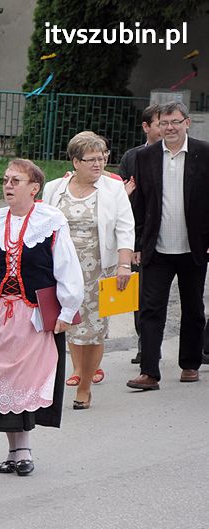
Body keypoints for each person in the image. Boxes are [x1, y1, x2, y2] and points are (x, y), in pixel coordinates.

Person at [0, 159, 83, 476]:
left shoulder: (51, 221)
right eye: (5, 180)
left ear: (34, 188)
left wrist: (66, 310)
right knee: (1, 383)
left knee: (24, 382)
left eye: (16, 180)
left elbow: (68, 269)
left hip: (33, 316)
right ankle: (14, 450)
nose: (8, 185)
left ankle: (22, 449)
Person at [43, 132, 134, 409]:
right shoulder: (54, 188)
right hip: (61, 270)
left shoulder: (112, 189)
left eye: (102, 157)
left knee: (94, 328)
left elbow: (125, 227)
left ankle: (85, 385)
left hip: (98, 270)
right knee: (68, 323)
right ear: (75, 161)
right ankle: (76, 369)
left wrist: (124, 264)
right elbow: (43, 225)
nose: (99, 164)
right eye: (91, 159)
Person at [127, 101, 209, 390]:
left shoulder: (204, 153)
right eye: (164, 123)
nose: (170, 127)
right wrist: (135, 242)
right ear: (157, 127)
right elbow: (139, 203)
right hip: (156, 248)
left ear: (187, 123)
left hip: (194, 248)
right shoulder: (146, 156)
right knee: (150, 309)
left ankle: (189, 364)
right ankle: (149, 372)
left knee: (193, 309)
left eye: (175, 121)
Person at [119, 104, 161, 365]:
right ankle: (145, 344)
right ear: (146, 127)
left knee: (158, 295)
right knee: (140, 294)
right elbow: (121, 196)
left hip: (167, 236)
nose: (166, 127)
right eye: (160, 123)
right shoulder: (131, 157)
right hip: (137, 236)